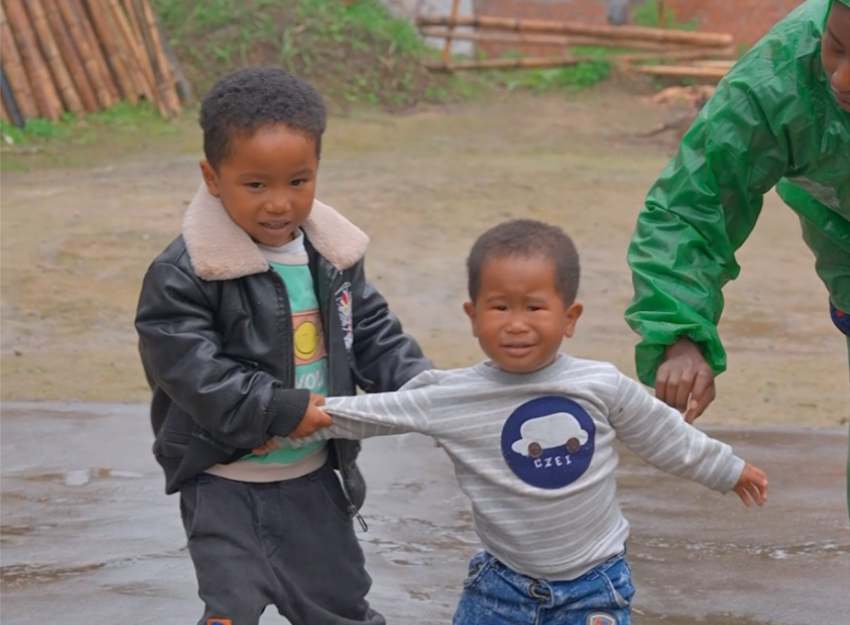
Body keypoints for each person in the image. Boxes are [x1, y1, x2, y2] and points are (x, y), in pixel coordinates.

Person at [624, 0, 850, 623]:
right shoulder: (778, 79)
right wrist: (681, 331)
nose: (845, 78)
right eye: (835, 46)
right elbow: (694, 199)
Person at [259, 219, 769, 625]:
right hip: (500, 588)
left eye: (535, 307)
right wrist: (285, 422)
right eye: (499, 307)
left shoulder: (599, 385)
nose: (517, 323)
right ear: (473, 314)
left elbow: (665, 433)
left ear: (570, 317)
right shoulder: (451, 395)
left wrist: (727, 469)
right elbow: (373, 413)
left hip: (595, 583)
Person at [134, 67, 429, 625]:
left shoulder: (333, 255)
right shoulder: (185, 272)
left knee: (339, 606)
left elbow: (368, 329)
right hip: (224, 479)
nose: (279, 203)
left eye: (298, 181)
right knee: (231, 610)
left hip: (315, 475)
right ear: (212, 176)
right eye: (256, 184)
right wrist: (275, 407)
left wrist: (421, 386)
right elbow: (190, 368)